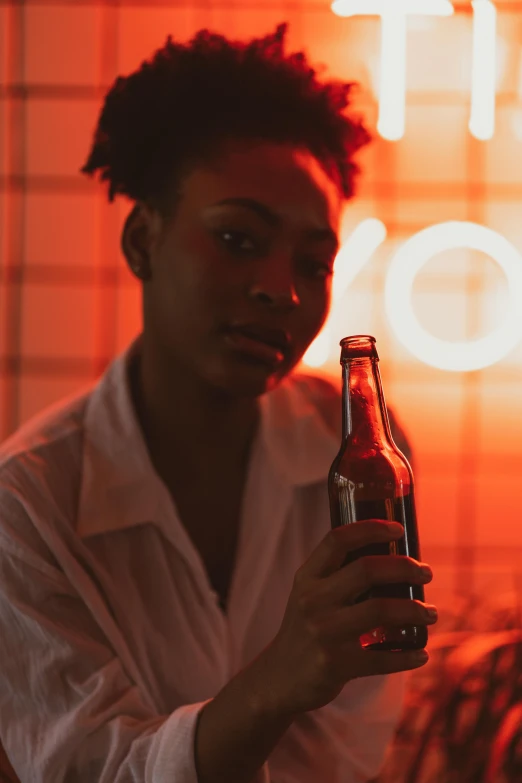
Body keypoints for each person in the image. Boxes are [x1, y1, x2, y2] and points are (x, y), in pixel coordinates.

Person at [0, 24, 437, 783]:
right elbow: (87, 770)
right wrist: (280, 678)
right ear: (143, 241)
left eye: (314, 261)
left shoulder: (360, 454)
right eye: (238, 238)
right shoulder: (27, 504)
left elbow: (348, 750)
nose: (283, 290)